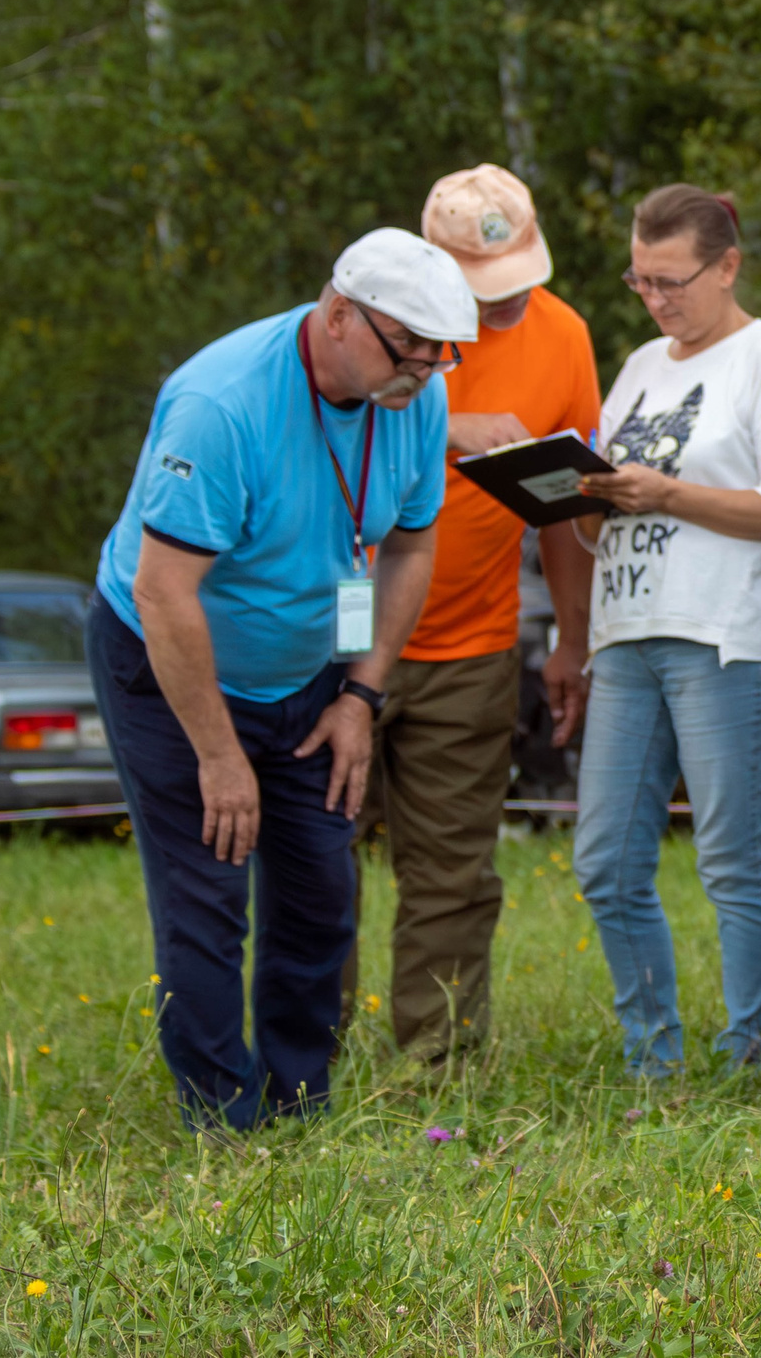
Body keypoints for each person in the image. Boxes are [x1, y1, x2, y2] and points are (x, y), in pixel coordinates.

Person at [86, 229, 474, 1128]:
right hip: (172, 666)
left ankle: (300, 1101)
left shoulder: (414, 393)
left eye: (439, 351)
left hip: (311, 668)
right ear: (339, 313)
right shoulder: (219, 405)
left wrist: (361, 691)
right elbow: (164, 591)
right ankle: (222, 1122)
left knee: (319, 889)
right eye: (405, 345)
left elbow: (408, 543)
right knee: (208, 891)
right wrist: (219, 757)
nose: (423, 368)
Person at [569, 186, 761, 1077]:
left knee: (730, 860)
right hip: (629, 625)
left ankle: (751, 1055)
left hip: (729, 635)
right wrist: (584, 502)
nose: (655, 298)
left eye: (671, 279)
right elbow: (620, 504)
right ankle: (654, 1057)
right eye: (639, 280)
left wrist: (665, 492)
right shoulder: (642, 362)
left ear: (727, 265)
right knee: (604, 859)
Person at [342, 165, 601, 1064]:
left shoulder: (565, 333)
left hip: (476, 640)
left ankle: (437, 1065)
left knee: (452, 871)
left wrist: (572, 637)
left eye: (517, 286)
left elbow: (566, 499)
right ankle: (307, 1055)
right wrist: (452, 422)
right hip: (344, 623)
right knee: (317, 848)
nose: (507, 307)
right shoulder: (371, 326)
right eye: (484, 296)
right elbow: (320, 424)